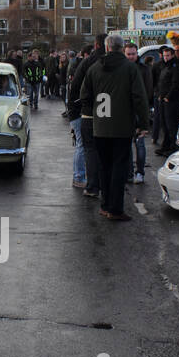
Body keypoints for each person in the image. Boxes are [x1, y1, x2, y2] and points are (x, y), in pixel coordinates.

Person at [80, 35, 149, 221]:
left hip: (100, 126)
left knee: (104, 167)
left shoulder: (94, 68)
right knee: (119, 167)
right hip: (121, 126)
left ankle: (105, 205)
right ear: (121, 48)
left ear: (107, 47)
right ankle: (115, 209)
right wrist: (144, 123)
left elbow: (84, 95)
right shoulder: (129, 68)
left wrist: (95, 110)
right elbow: (139, 98)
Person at [68, 35, 106, 195]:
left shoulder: (86, 62)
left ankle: (83, 177)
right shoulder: (96, 62)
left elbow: (75, 85)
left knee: (84, 144)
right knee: (84, 145)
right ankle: (79, 177)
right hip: (84, 110)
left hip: (79, 108)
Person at [155, 45, 179, 155]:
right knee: (164, 124)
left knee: (171, 125)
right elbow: (161, 82)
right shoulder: (164, 66)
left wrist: (167, 97)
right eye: (164, 56)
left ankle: (173, 147)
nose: (166, 58)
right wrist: (160, 95)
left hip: (171, 100)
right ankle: (166, 146)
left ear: (172, 55)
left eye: (168, 56)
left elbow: (176, 84)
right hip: (163, 98)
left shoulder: (175, 66)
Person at [126, 42, 152, 184]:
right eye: (128, 54)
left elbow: (148, 91)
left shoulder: (144, 69)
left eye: (133, 54)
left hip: (139, 111)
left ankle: (140, 172)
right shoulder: (122, 68)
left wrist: (144, 117)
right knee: (127, 145)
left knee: (140, 143)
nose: (131, 56)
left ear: (137, 54)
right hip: (125, 111)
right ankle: (129, 172)